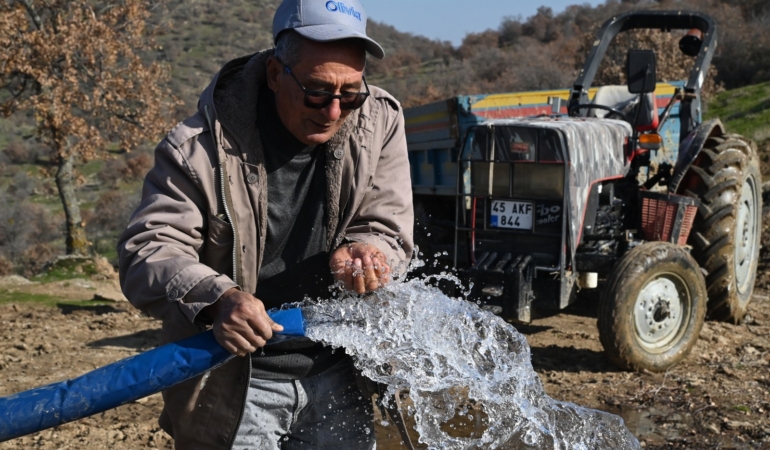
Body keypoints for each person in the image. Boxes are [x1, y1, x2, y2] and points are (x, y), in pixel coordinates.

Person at [117, 0, 413, 448]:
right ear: (276, 74)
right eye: (317, 91)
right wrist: (219, 299)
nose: (334, 111)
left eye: (349, 93)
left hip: (338, 370)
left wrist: (369, 249)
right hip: (235, 376)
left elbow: (388, 224)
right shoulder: (195, 149)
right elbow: (149, 250)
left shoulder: (379, 121)